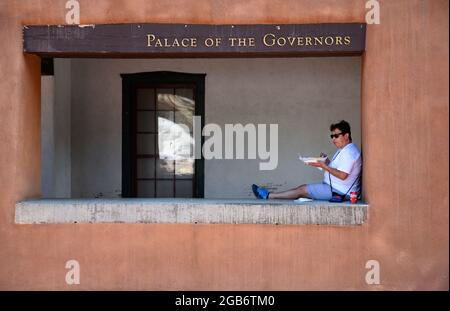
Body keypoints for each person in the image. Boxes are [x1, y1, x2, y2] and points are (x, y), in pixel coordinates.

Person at [252, 120, 362, 201]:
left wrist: (324, 166)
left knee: (302, 190)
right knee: (302, 189)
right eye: (332, 136)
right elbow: (339, 169)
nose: (333, 139)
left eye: (336, 136)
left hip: (338, 191)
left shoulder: (349, 152)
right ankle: (270, 195)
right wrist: (326, 161)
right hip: (333, 187)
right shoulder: (344, 150)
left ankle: (268, 196)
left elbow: (343, 175)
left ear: (346, 135)